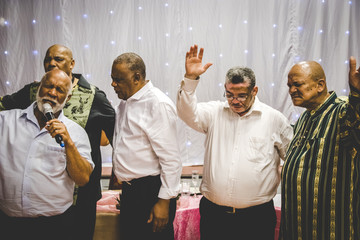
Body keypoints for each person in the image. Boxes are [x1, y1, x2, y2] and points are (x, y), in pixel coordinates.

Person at [176, 45, 293, 240]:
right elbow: (186, 113)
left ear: (254, 91)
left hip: (257, 218)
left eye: (241, 95)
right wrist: (190, 80)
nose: (234, 101)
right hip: (214, 216)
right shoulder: (214, 113)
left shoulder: (274, 119)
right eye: (229, 94)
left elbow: (293, 158)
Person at [0, 44, 115, 240]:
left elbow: (114, 133)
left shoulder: (93, 95)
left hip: (80, 192)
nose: (52, 63)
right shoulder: (31, 92)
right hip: (20, 209)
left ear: (72, 64)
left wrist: (118, 169)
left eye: (59, 59)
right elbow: (5, 104)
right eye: (48, 59)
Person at [280, 57, 360, 239]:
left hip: (331, 229)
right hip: (297, 227)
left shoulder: (342, 111)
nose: (291, 90)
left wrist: (356, 94)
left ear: (320, 85)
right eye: (289, 85)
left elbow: (356, 129)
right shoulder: (303, 119)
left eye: (297, 84)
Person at [111, 52, 182, 240]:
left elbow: (171, 159)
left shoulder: (157, 104)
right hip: (131, 192)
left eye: (118, 79)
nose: (113, 84)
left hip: (151, 193)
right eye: (112, 79)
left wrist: (164, 202)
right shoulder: (124, 103)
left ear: (137, 77)